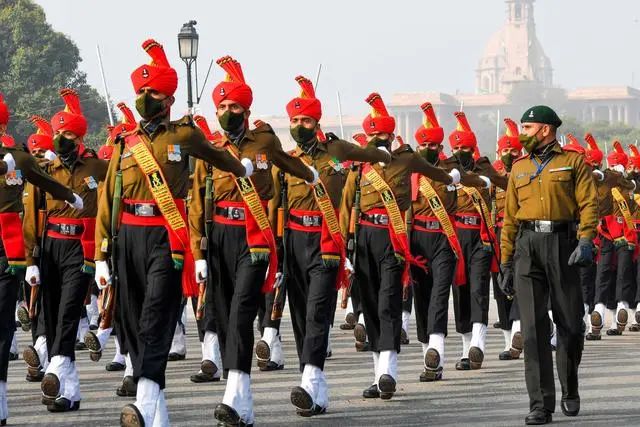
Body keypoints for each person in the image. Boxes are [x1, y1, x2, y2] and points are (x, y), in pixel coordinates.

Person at [93, 39, 249, 427]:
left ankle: (145, 399)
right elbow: (107, 198)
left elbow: (220, 157)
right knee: (131, 319)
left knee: (156, 316)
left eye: (153, 92)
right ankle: (156, 410)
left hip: (167, 237)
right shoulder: (124, 143)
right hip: (127, 236)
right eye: (142, 90)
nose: (146, 97)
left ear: (169, 99)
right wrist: (100, 254)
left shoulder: (184, 135)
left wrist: (243, 169)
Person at [188, 56, 316, 427]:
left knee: (243, 309)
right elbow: (196, 202)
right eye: (222, 107)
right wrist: (198, 251)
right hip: (219, 237)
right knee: (224, 312)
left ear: (246, 110)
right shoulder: (209, 148)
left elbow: (286, 163)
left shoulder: (264, 140)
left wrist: (310, 174)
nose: (227, 112)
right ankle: (241, 399)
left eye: (234, 107)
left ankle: (233, 393)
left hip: (255, 236)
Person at [268, 76, 391, 416]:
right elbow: (275, 205)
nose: (299, 126)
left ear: (317, 123)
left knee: (318, 310)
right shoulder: (288, 160)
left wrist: (384, 153)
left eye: (306, 120)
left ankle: (309, 381)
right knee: (299, 313)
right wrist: (277, 250)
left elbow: (367, 154)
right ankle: (316, 386)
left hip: (326, 240)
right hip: (294, 241)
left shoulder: (336, 151)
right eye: (295, 120)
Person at [339, 93, 460, 401]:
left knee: (388, 302)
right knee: (369, 305)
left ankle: (388, 371)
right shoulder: (359, 168)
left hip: (393, 238)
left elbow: (436, 174)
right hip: (364, 238)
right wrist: (344, 250)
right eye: (374, 136)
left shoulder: (406, 160)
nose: (379, 141)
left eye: (383, 136)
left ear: (392, 137)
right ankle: (377, 373)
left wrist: (453, 177)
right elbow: (345, 207)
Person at [500, 105, 597, 425]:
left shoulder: (573, 162)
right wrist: (505, 262)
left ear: (545, 129)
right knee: (532, 330)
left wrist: (586, 240)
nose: (522, 134)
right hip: (527, 247)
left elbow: (588, 204)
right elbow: (510, 219)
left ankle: (570, 386)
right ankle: (540, 404)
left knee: (571, 325)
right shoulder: (519, 167)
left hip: (563, 244)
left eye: (527, 128)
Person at [22, 88, 104, 413]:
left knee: (70, 310)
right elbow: (31, 216)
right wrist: (31, 259)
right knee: (53, 313)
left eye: (67, 133)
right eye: (57, 133)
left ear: (79, 137)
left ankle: (55, 368)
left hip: (81, 247)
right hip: (51, 246)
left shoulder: (95, 167)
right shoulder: (43, 169)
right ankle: (69, 391)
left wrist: (105, 255)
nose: (60, 138)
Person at [409, 102, 488, 381]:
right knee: (422, 296)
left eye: (433, 144)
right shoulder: (409, 170)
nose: (428, 148)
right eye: (424, 144)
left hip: (445, 239)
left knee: (441, 294)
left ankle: (437, 348)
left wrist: (485, 182)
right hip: (416, 239)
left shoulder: (450, 170)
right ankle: (429, 358)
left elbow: (471, 179)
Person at [448, 112, 507, 371]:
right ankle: (466, 349)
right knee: (460, 291)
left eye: (465, 148)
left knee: (478, 289)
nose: (460, 152)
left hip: (481, 236)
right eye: (457, 148)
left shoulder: (484, 168)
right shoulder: (447, 170)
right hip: (456, 236)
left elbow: (504, 184)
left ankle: (478, 344)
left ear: (473, 149)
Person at [591, 141, 637, 336]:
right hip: (606, 233)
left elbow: (632, 185)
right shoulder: (603, 181)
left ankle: (622, 308)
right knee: (603, 273)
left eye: (617, 164)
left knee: (623, 273)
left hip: (626, 234)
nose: (614, 168)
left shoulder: (630, 184)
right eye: (611, 164)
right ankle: (599, 310)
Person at [491, 118, 524, 361]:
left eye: (514, 150)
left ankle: (519, 331)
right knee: (501, 286)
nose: (510, 154)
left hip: (522, 233)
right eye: (506, 150)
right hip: (498, 234)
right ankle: (508, 341)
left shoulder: (526, 172)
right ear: (499, 152)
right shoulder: (493, 176)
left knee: (522, 282)